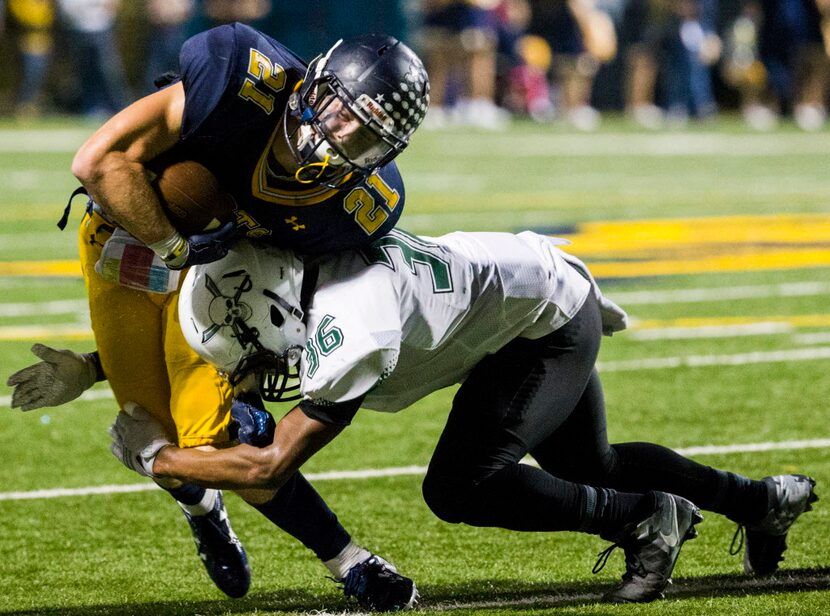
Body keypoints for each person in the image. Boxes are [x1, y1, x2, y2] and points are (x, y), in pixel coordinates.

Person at [108, 231, 817, 603]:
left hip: (538, 324)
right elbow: (246, 295)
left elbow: (270, 465)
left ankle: (644, 518)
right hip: (518, 292)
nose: (253, 372)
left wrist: (157, 458)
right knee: (585, 464)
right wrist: (94, 363)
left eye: (253, 353)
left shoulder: (349, 328)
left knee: (460, 486)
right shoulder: (303, 264)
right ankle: (759, 501)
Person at [9, 22, 428, 611]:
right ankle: (201, 509)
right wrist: (174, 248)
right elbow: (97, 161)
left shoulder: (359, 205)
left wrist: (250, 358)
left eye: (368, 136)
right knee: (151, 432)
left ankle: (347, 561)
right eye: (342, 110)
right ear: (317, 83)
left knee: (205, 443)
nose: (344, 135)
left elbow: (293, 301)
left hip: (225, 279)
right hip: (125, 241)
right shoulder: (242, 78)